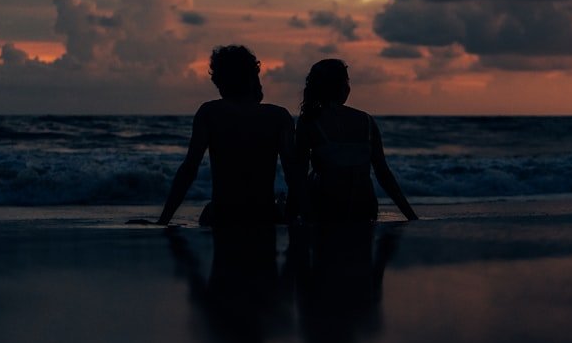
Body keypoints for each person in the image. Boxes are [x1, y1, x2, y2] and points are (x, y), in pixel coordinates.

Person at [154, 45, 299, 226]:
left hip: (222, 214)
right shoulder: (279, 116)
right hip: (263, 213)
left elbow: (189, 169)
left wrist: (163, 221)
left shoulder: (209, 113)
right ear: (252, 77)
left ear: (219, 81)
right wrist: (297, 217)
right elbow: (292, 173)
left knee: (210, 212)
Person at [295, 59, 418, 222]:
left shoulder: (309, 121)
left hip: (327, 207)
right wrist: (411, 216)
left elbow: (298, 175)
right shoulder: (366, 120)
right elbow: (384, 174)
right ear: (344, 87)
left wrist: (294, 216)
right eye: (347, 81)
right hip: (365, 208)